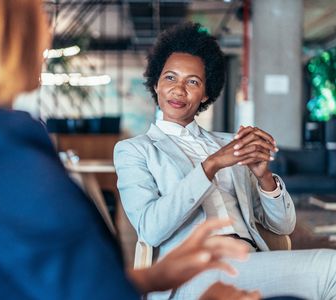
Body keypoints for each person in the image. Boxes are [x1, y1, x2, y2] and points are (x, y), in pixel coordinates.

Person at [0, 1, 264, 299]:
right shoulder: (0, 156)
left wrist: (151, 277)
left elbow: (34, 281)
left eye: (192, 81)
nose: (48, 31)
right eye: (41, 16)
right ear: (9, 37)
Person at [114, 22, 336, 300]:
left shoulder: (229, 143)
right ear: (156, 84)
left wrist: (263, 176)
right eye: (170, 78)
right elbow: (151, 229)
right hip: (192, 271)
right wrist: (210, 166)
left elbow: (283, 227)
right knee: (332, 268)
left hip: (249, 260)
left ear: (206, 93)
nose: (179, 90)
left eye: (192, 81)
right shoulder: (135, 150)